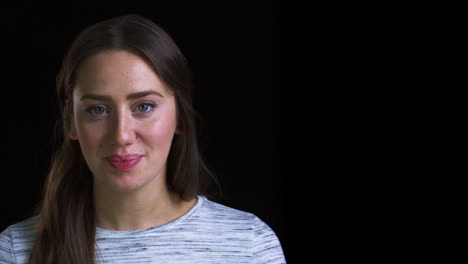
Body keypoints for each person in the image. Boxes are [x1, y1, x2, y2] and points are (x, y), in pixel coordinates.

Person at [0, 14, 285, 264]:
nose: (122, 135)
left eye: (144, 107)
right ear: (70, 122)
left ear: (181, 118)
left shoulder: (248, 245)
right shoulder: (15, 251)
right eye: (98, 110)